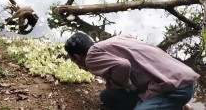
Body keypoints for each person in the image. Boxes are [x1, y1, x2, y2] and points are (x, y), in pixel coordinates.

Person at [64, 32, 200, 110]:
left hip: (175, 88)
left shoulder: (90, 58)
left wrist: (117, 85)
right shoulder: (110, 42)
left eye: (74, 61)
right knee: (107, 97)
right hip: (173, 77)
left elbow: (123, 65)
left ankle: (176, 105)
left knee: (116, 93)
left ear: (76, 57)